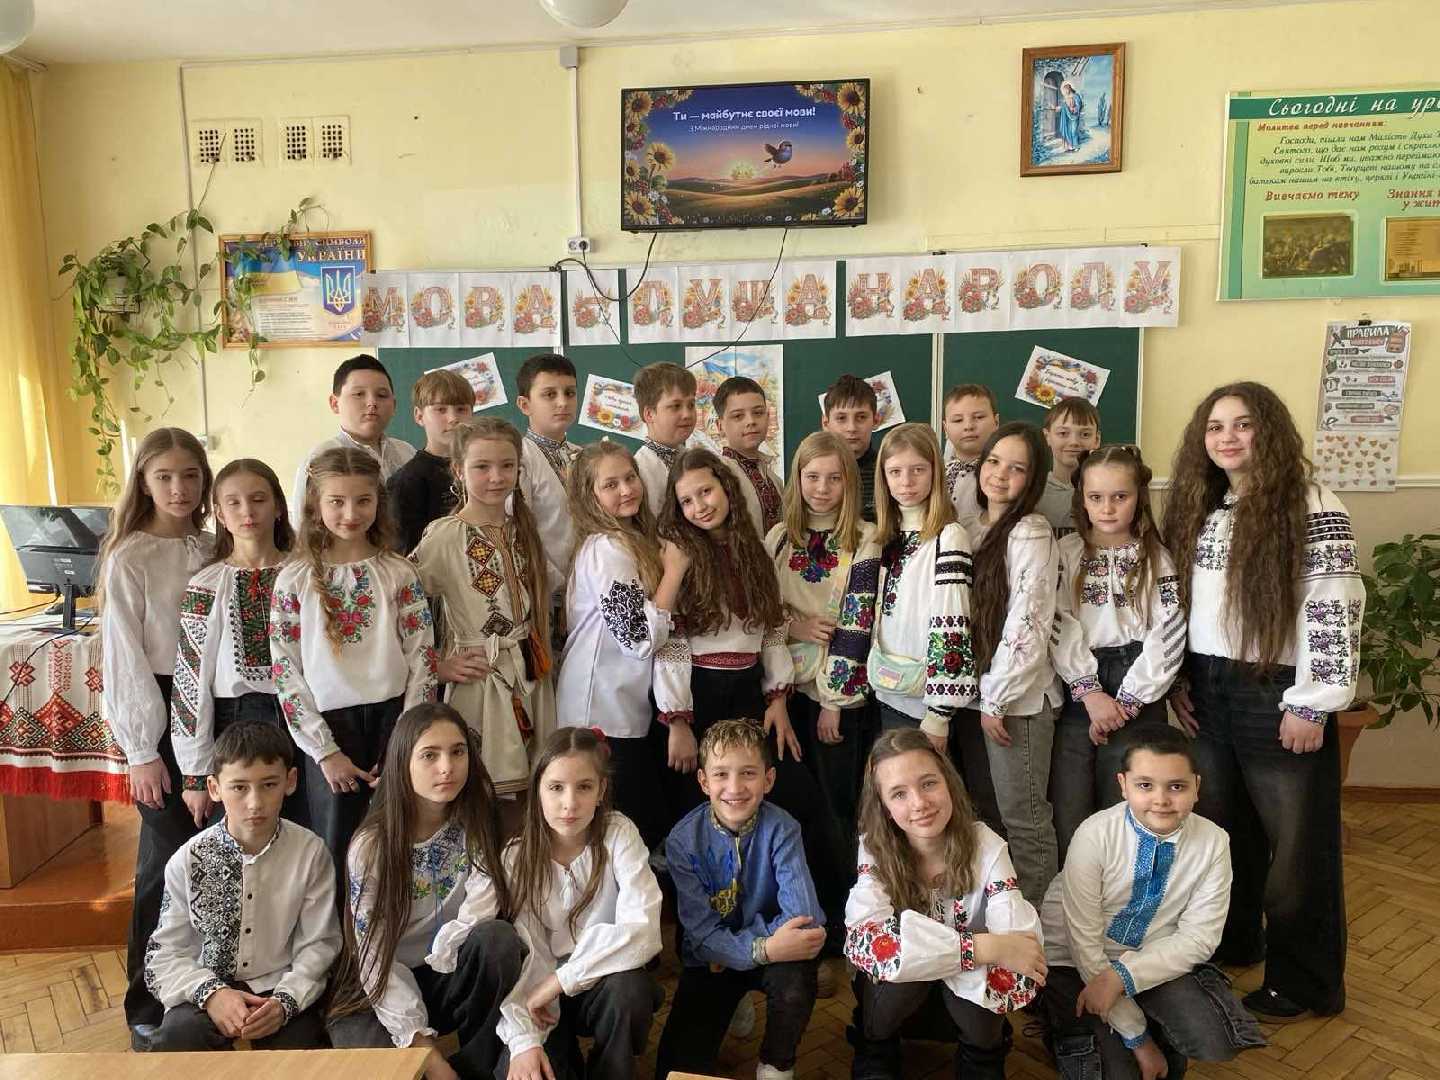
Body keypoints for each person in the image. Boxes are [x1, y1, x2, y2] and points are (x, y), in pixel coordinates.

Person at [1163, 382, 1363, 1021]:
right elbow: (1188, 605)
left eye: (1242, 424)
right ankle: (1235, 940)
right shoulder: (1205, 506)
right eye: (1215, 426)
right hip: (1210, 684)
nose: (1227, 437)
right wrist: (1182, 679)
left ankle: (1305, 983)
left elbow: (1333, 600)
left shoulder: (1312, 504)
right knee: (1225, 830)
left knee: (1296, 845)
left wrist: (1314, 701)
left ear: (1268, 431)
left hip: (1279, 689)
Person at [1039, 729, 1266, 1080]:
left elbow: (1200, 938)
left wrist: (1122, 977)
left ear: (1197, 787)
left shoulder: (1213, 842)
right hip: (1073, 960)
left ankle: (1150, 1016)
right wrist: (1139, 1038)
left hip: (1150, 956)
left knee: (1215, 1038)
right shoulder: (1094, 834)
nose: (1161, 800)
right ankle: (1064, 1022)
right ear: (1123, 785)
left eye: (1176, 786)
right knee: (1121, 1074)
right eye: (1145, 785)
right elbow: (1083, 940)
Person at [327, 703, 523, 1080]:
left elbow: (480, 914)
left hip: (447, 973)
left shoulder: (478, 821)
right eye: (429, 755)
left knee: (497, 938)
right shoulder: (372, 846)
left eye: (458, 752)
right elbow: (374, 957)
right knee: (387, 1072)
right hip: (377, 986)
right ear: (403, 763)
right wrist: (427, 1054)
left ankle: (480, 1068)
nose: (447, 767)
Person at [268, 448, 438, 881]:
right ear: (315, 505)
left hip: (393, 723)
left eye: (363, 500)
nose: (350, 513)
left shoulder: (398, 572)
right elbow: (285, 671)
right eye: (337, 502)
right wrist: (325, 752)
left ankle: (391, 925)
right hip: (329, 731)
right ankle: (339, 929)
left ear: (379, 501)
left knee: (398, 841)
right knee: (336, 849)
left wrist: (406, 738)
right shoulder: (294, 578)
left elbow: (422, 656)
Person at [97, 426, 215, 1045]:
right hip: (162, 709)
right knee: (165, 860)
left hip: (217, 706)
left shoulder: (215, 546)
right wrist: (142, 750)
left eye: (190, 475)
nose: (179, 488)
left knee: (217, 852)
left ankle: (209, 986)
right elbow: (124, 656)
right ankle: (146, 999)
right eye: (164, 477)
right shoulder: (131, 556)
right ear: (143, 483)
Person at [845, 728, 1045, 1080]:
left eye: (928, 784)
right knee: (899, 964)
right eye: (899, 794)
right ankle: (877, 1054)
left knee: (978, 972)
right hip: (901, 999)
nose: (919, 803)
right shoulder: (874, 847)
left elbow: (1022, 954)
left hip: (967, 1001)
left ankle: (981, 1060)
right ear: (885, 808)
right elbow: (866, 942)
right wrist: (983, 946)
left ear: (949, 783)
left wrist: (954, 954)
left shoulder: (986, 845)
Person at [141, 721, 338, 1052]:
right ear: (214, 788)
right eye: (239, 787)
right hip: (207, 987)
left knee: (304, 1055)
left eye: (269, 784)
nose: (255, 803)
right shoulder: (188, 859)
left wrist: (285, 1001)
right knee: (178, 1041)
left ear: (290, 781)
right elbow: (165, 954)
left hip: (280, 986)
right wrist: (212, 994)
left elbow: (320, 944)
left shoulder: (310, 852)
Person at [654, 720, 825, 1080]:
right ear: (704, 782)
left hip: (771, 955)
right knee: (675, 1068)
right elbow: (701, 935)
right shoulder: (682, 841)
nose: (734, 788)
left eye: (748, 773)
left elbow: (804, 916)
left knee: (797, 979)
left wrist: (760, 950)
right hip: (712, 962)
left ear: (768, 779)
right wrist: (763, 948)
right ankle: (735, 998)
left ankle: (776, 1065)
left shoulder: (783, 828)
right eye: (721, 774)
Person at [497, 728, 663, 1080]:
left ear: (601, 790)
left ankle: (612, 1070)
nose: (569, 803)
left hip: (601, 982)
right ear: (537, 790)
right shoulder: (516, 856)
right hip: (538, 992)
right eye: (556, 787)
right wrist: (525, 1038)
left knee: (630, 990)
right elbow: (529, 951)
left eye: (584, 787)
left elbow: (644, 930)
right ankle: (563, 1056)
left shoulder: (619, 834)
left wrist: (563, 980)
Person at [1049, 445, 1184, 863]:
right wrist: (1090, 693)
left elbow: (1169, 632)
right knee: (1070, 800)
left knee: (1128, 799)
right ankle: (1075, 891)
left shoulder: (1156, 557)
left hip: (1139, 683)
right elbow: (1058, 622)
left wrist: (1127, 702)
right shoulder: (1066, 552)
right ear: (1082, 499)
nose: (1107, 508)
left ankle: (1128, 891)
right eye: (1096, 497)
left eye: (1119, 497)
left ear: (1138, 497)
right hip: (1080, 686)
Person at [556, 441, 688, 850]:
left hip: (624, 705)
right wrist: (675, 572)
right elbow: (639, 638)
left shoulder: (629, 539)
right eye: (610, 485)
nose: (627, 489)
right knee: (626, 831)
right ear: (590, 496)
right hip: (600, 709)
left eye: (630, 478)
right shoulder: (607, 548)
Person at [412, 418, 553, 791]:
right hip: (481, 679)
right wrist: (436, 666)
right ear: (459, 470)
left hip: (530, 672)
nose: (496, 477)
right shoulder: (444, 536)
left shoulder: (522, 529)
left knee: (533, 788)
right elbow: (399, 604)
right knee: (485, 791)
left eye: (507, 465)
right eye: (482, 467)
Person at [867, 423, 996, 829]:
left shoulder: (948, 536)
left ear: (935, 473)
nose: (906, 482)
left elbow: (952, 627)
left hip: (925, 705)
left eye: (917, 470)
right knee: (898, 813)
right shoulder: (886, 536)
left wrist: (939, 714)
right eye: (895, 472)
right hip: (889, 690)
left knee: (931, 813)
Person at [172, 458, 304, 828]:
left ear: (278, 507)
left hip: (304, 718)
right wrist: (195, 774)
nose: (247, 511)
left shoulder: (305, 575)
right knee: (243, 834)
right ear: (219, 514)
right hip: (235, 722)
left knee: (305, 830)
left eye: (259, 499)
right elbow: (189, 680)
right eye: (234, 502)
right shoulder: (207, 585)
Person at [767, 431, 878, 863]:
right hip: (786, 690)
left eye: (834, 478)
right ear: (797, 478)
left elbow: (858, 621)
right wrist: (795, 625)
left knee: (838, 805)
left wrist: (835, 701)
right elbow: (763, 611)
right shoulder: (779, 537)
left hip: (836, 694)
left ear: (849, 481)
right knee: (793, 800)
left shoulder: (865, 538)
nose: (822, 488)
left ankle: (842, 894)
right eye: (812, 477)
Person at [965, 422, 1063, 907]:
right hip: (984, 698)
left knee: (1024, 820)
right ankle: (1004, 920)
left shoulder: (1031, 530)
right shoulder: (972, 526)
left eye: (1016, 468)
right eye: (993, 461)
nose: (1000, 475)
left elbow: (1029, 620)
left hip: (1016, 702)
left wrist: (996, 697)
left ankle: (1039, 931)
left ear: (1034, 478)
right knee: (989, 817)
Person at [290, 354, 415, 530]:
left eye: (381, 395)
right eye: (359, 394)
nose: (372, 403)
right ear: (335, 403)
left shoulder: (407, 452)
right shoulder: (320, 457)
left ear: (394, 405)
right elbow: (302, 527)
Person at [515, 352, 582, 606]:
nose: (563, 402)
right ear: (525, 405)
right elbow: (521, 534)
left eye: (570, 393)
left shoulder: (584, 457)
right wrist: (558, 585)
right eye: (549, 394)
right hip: (545, 593)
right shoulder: (519, 460)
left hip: (588, 589)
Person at [388, 368, 476, 554]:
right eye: (440, 409)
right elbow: (407, 552)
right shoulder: (408, 480)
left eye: (461, 409)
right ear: (419, 416)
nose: (453, 418)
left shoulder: (482, 468)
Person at [715, 374, 784, 536]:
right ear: (720, 426)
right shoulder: (718, 475)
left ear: (768, 417)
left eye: (758, 413)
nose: (750, 421)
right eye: (738, 416)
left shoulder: (774, 480)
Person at [632, 361, 697, 517]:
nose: (687, 414)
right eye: (676, 406)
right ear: (649, 414)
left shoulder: (691, 459)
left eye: (691, 405)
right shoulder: (639, 471)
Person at [1036, 396, 1101, 536]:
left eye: (1085, 434)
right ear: (1047, 437)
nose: (1074, 442)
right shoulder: (1032, 493)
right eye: (1063, 433)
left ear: (1096, 439)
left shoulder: (1108, 493)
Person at [820, 374, 880, 522]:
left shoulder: (891, 472)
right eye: (841, 418)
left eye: (861, 417)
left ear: (876, 420)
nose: (851, 428)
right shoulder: (812, 474)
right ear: (826, 423)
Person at [941, 384, 1000, 521]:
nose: (968, 426)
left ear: (996, 422)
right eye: (958, 420)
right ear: (945, 429)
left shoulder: (1004, 475)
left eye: (978, 417)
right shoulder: (937, 475)